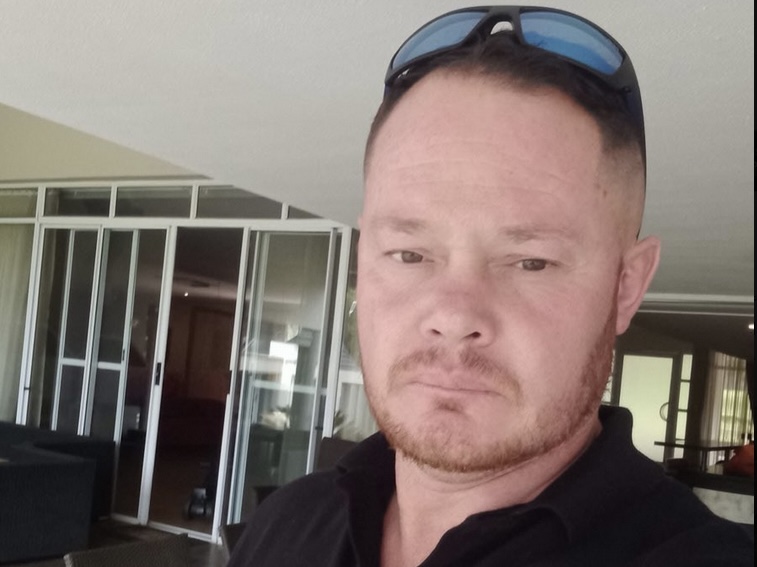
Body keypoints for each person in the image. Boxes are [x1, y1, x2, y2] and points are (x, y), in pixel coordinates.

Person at [228, 6, 753, 566]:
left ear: (626, 287)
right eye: (409, 254)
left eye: (530, 262)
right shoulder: (285, 523)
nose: (453, 317)